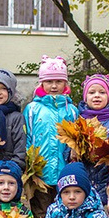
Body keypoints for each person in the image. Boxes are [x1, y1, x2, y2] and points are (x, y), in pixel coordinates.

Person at [23, 56, 80, 200]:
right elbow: (27, 136)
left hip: (64, 169)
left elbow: (76, 139)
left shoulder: (71, 110)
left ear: (65, 83)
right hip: (40, 171)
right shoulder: (32, 109)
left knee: (62, 209)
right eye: (49, 82)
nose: (54, 86)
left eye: (58, 81)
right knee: (40, 211)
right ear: (41, 83)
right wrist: (29, 163)